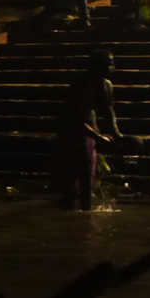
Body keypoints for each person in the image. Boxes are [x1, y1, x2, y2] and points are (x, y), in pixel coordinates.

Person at [50, 48, 123, 210]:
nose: (113, 69)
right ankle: (69, 215)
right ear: (97, 67)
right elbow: (74, 119)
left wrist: (116, 134)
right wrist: (98, 137)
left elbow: (108, 110)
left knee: (88, 178)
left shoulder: (106, 85)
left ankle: (85, 211)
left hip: (89, 128)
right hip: (71, 131)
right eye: (109, 65)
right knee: (71, 178)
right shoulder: (80, 85)